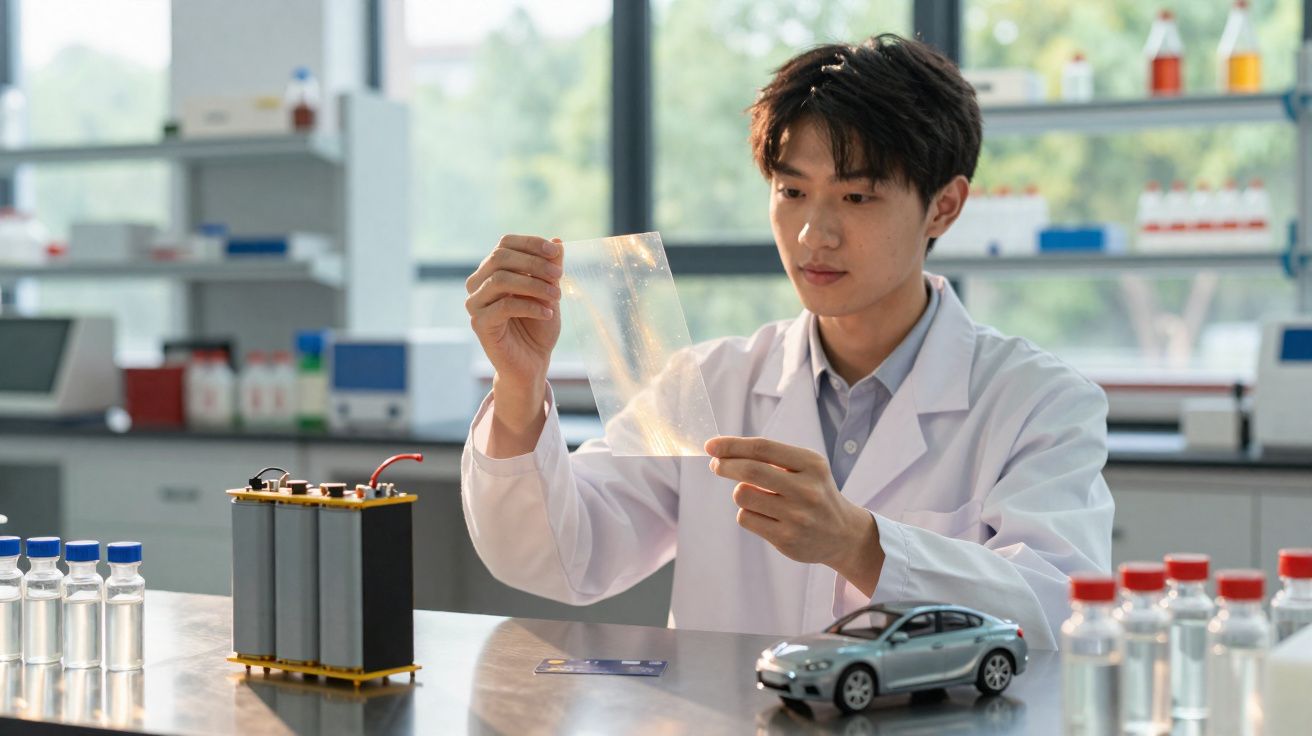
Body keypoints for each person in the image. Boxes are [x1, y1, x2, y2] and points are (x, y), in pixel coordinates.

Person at [459, 34, 1112, 650]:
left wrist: (860, 543)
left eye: (856, 196)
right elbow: (560, 555)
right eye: (791, 191)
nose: (812, 235)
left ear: (944, 206)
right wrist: (520, 389)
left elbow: (1057, 613)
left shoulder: (1038, 403)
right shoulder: (710, 384)